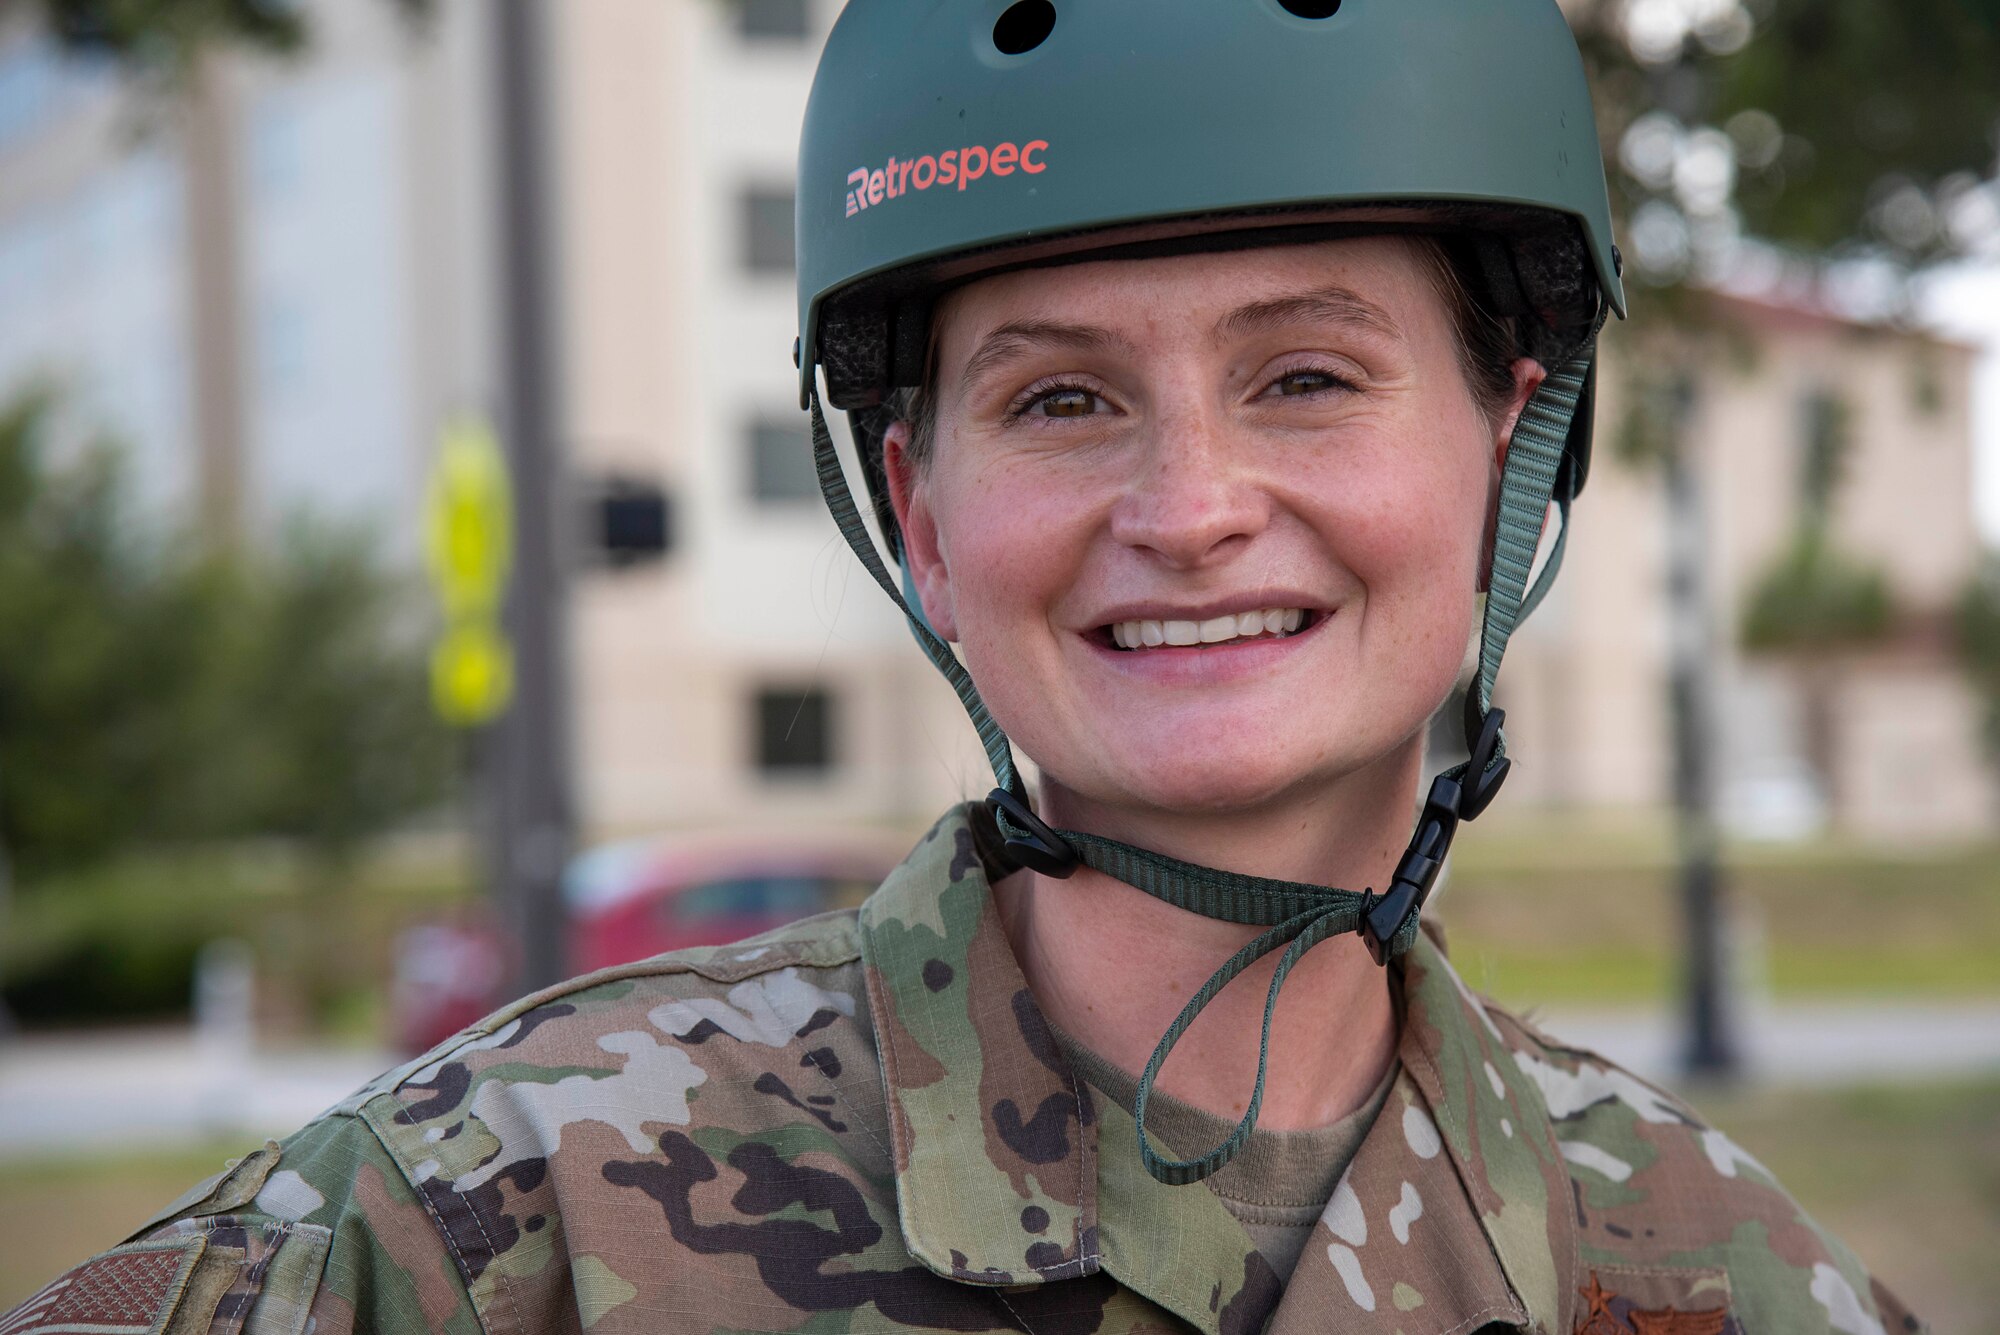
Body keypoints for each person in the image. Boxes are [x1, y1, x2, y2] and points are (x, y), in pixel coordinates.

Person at [5, 3, 1923, 1333]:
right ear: (918, 509)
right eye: (1065, 398)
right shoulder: (498, 1223)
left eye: (1308, 377)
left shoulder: (1717, 1264)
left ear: (1507, 451)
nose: (1188, 507)